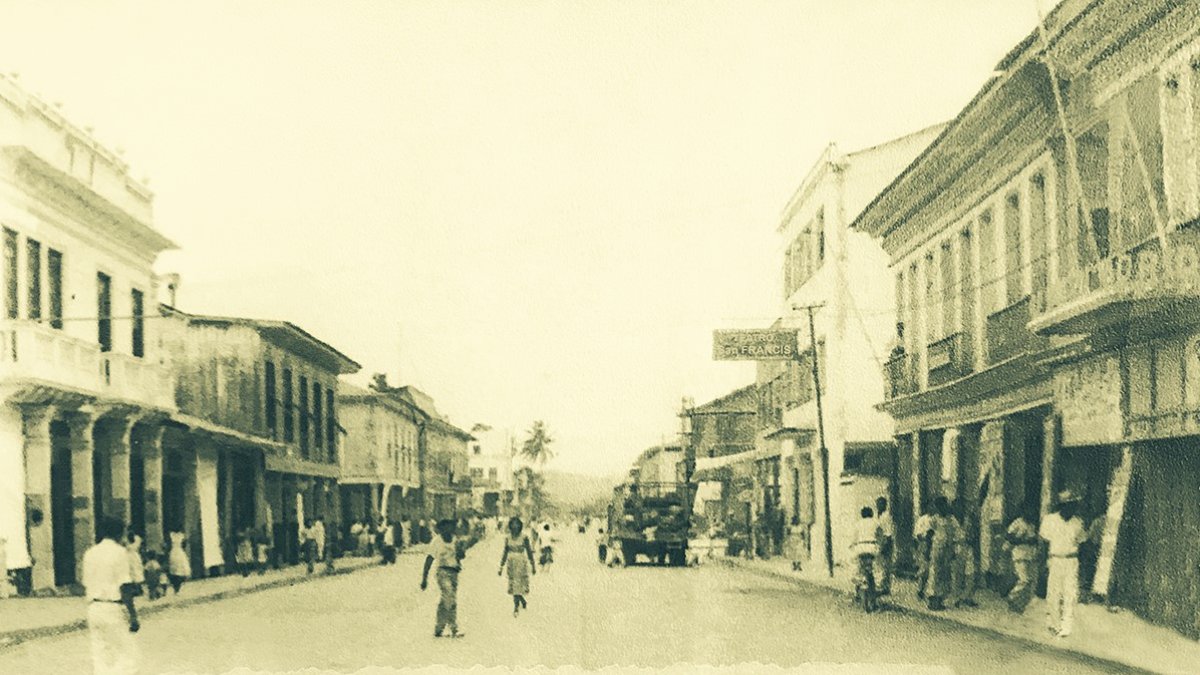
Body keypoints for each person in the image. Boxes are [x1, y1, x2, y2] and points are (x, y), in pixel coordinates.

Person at [82, 517, 139, 675]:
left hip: (93, 608)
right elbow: (124, 586)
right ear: (118, 533)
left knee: (100, 656)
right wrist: (133, 615)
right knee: (127, 656)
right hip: (111, 608)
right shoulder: (119, 552)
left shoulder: (90, 553)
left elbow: (86, 582)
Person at [1040, 490, 1088, 638]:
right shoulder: (1049, 519)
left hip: (1071, 560)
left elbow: (1082, 543)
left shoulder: (1078, 522)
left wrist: (1083, 566)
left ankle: (1066, 626)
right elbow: (1044, 542)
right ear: (1062, 505)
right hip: (1055, 559)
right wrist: (1043, 562)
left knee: (1070, 594)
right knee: (1053, 593)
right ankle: (1054, 624)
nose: (1072, 508)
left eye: (1074, 505)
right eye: (1069, 505)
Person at [420, 519, 466, 638]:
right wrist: (424, 578)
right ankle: (453, 627)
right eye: (445, 528)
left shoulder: (455, 540)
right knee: (449, 597)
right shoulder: (437, 541)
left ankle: (439, 627)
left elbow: (461, 556)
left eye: (450, 527)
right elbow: (429, 559)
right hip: (442, 572)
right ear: (441, 529)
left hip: (454, 572)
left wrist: (460, 549)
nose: (448, 530)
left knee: (447, 600)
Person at [498, 517, 537, 617]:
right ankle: (521, 602)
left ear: (520, 526)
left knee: (519, 585)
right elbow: (505, 552)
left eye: (517, 525)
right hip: (511, 564)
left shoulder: (524, 537)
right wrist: (501, 566)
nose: (515, 527)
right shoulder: (507, 538)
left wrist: (533, 565)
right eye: (513, 525)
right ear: (510, 526)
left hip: (521, 564)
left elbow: (529, 552)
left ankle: (516, 606)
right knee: (514, 585)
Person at [1004, 508, 1040, 613]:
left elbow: (1034, 540)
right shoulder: (1018, 522)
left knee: (1032, 582)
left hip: (1030, 555)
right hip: (1019, 555)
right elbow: (1008, 536)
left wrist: (1033, 542)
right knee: (1024, 580)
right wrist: (1023, 540)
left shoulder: (1032, 525)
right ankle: (1011, 597)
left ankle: (1019, 606)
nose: (1030, 513)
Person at [925, 497, 957, 611]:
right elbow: (929, 535)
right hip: (937, 548)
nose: (942, 508)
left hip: (947, 549)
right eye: (939, 506)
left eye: (943, 505)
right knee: (935, 573)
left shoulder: (951, 519)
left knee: (945, 574)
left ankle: (940, 600)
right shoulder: (934, 519)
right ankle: (933, 600)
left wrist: (953, 550)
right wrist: (927, 549)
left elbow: (954, 535)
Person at [851, 506, 879, 607]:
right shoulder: (876, 523)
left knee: (860, 571)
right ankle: (873, 601)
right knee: (870, 573)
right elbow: (879, 535)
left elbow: (854, 539)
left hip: (861, 548)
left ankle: (859, 594)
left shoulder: (858, 524)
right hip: (872, 548)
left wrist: (852, 545)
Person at [873, 497, 894, 595]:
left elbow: (888, 533)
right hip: (879, 541)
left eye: (881, 504)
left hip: (885, 541)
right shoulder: (877, 516)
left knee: (886, 565)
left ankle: (885, 587)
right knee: (879, 564)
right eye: (878, 504)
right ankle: (881, 585)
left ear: (885, 505)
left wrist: (886, 545)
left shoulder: (886, 516)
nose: (879, 506)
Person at [913, 506, 934, 600]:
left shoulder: (936, 519)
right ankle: (920, 590)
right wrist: (926, 539)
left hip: (935, 545)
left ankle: (931, 593)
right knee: (924, 570)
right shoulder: (922, 520)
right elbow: (917, 534)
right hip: (924, 545)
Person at [167, 530, 191, 594]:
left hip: (174, 552)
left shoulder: (172, 535)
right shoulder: (181, 535)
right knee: (179, 570)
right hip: (179, 552)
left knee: (176, 570)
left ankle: (176, 588)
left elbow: (168, 545)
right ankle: (177, 588)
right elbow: (184, 544)